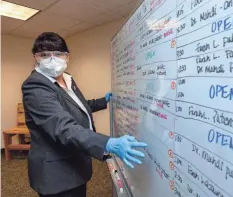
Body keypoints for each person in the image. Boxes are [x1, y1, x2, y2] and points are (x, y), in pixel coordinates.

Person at [22, 32, 147, 197]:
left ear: (67, 57)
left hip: (75, 163)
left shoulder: (67, 79)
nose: (52, 59)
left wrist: (103, 101)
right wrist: (107, 143)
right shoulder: (35, 86)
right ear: (35, 57)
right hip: (56, 173)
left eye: (58, 54)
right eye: (45, 55)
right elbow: (62, 126)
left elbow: (77, 106)